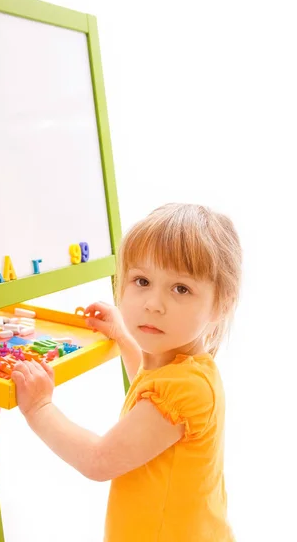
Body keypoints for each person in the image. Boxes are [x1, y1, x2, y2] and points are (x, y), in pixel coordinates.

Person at [12, 203, 242, 541]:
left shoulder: (185, 389)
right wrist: (123, 337)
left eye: (181, 288)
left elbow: (98, 460)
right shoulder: (184, 373)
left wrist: (39, 408)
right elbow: (147, 387)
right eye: (142, 280)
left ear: (221, 304)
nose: (153, 303)